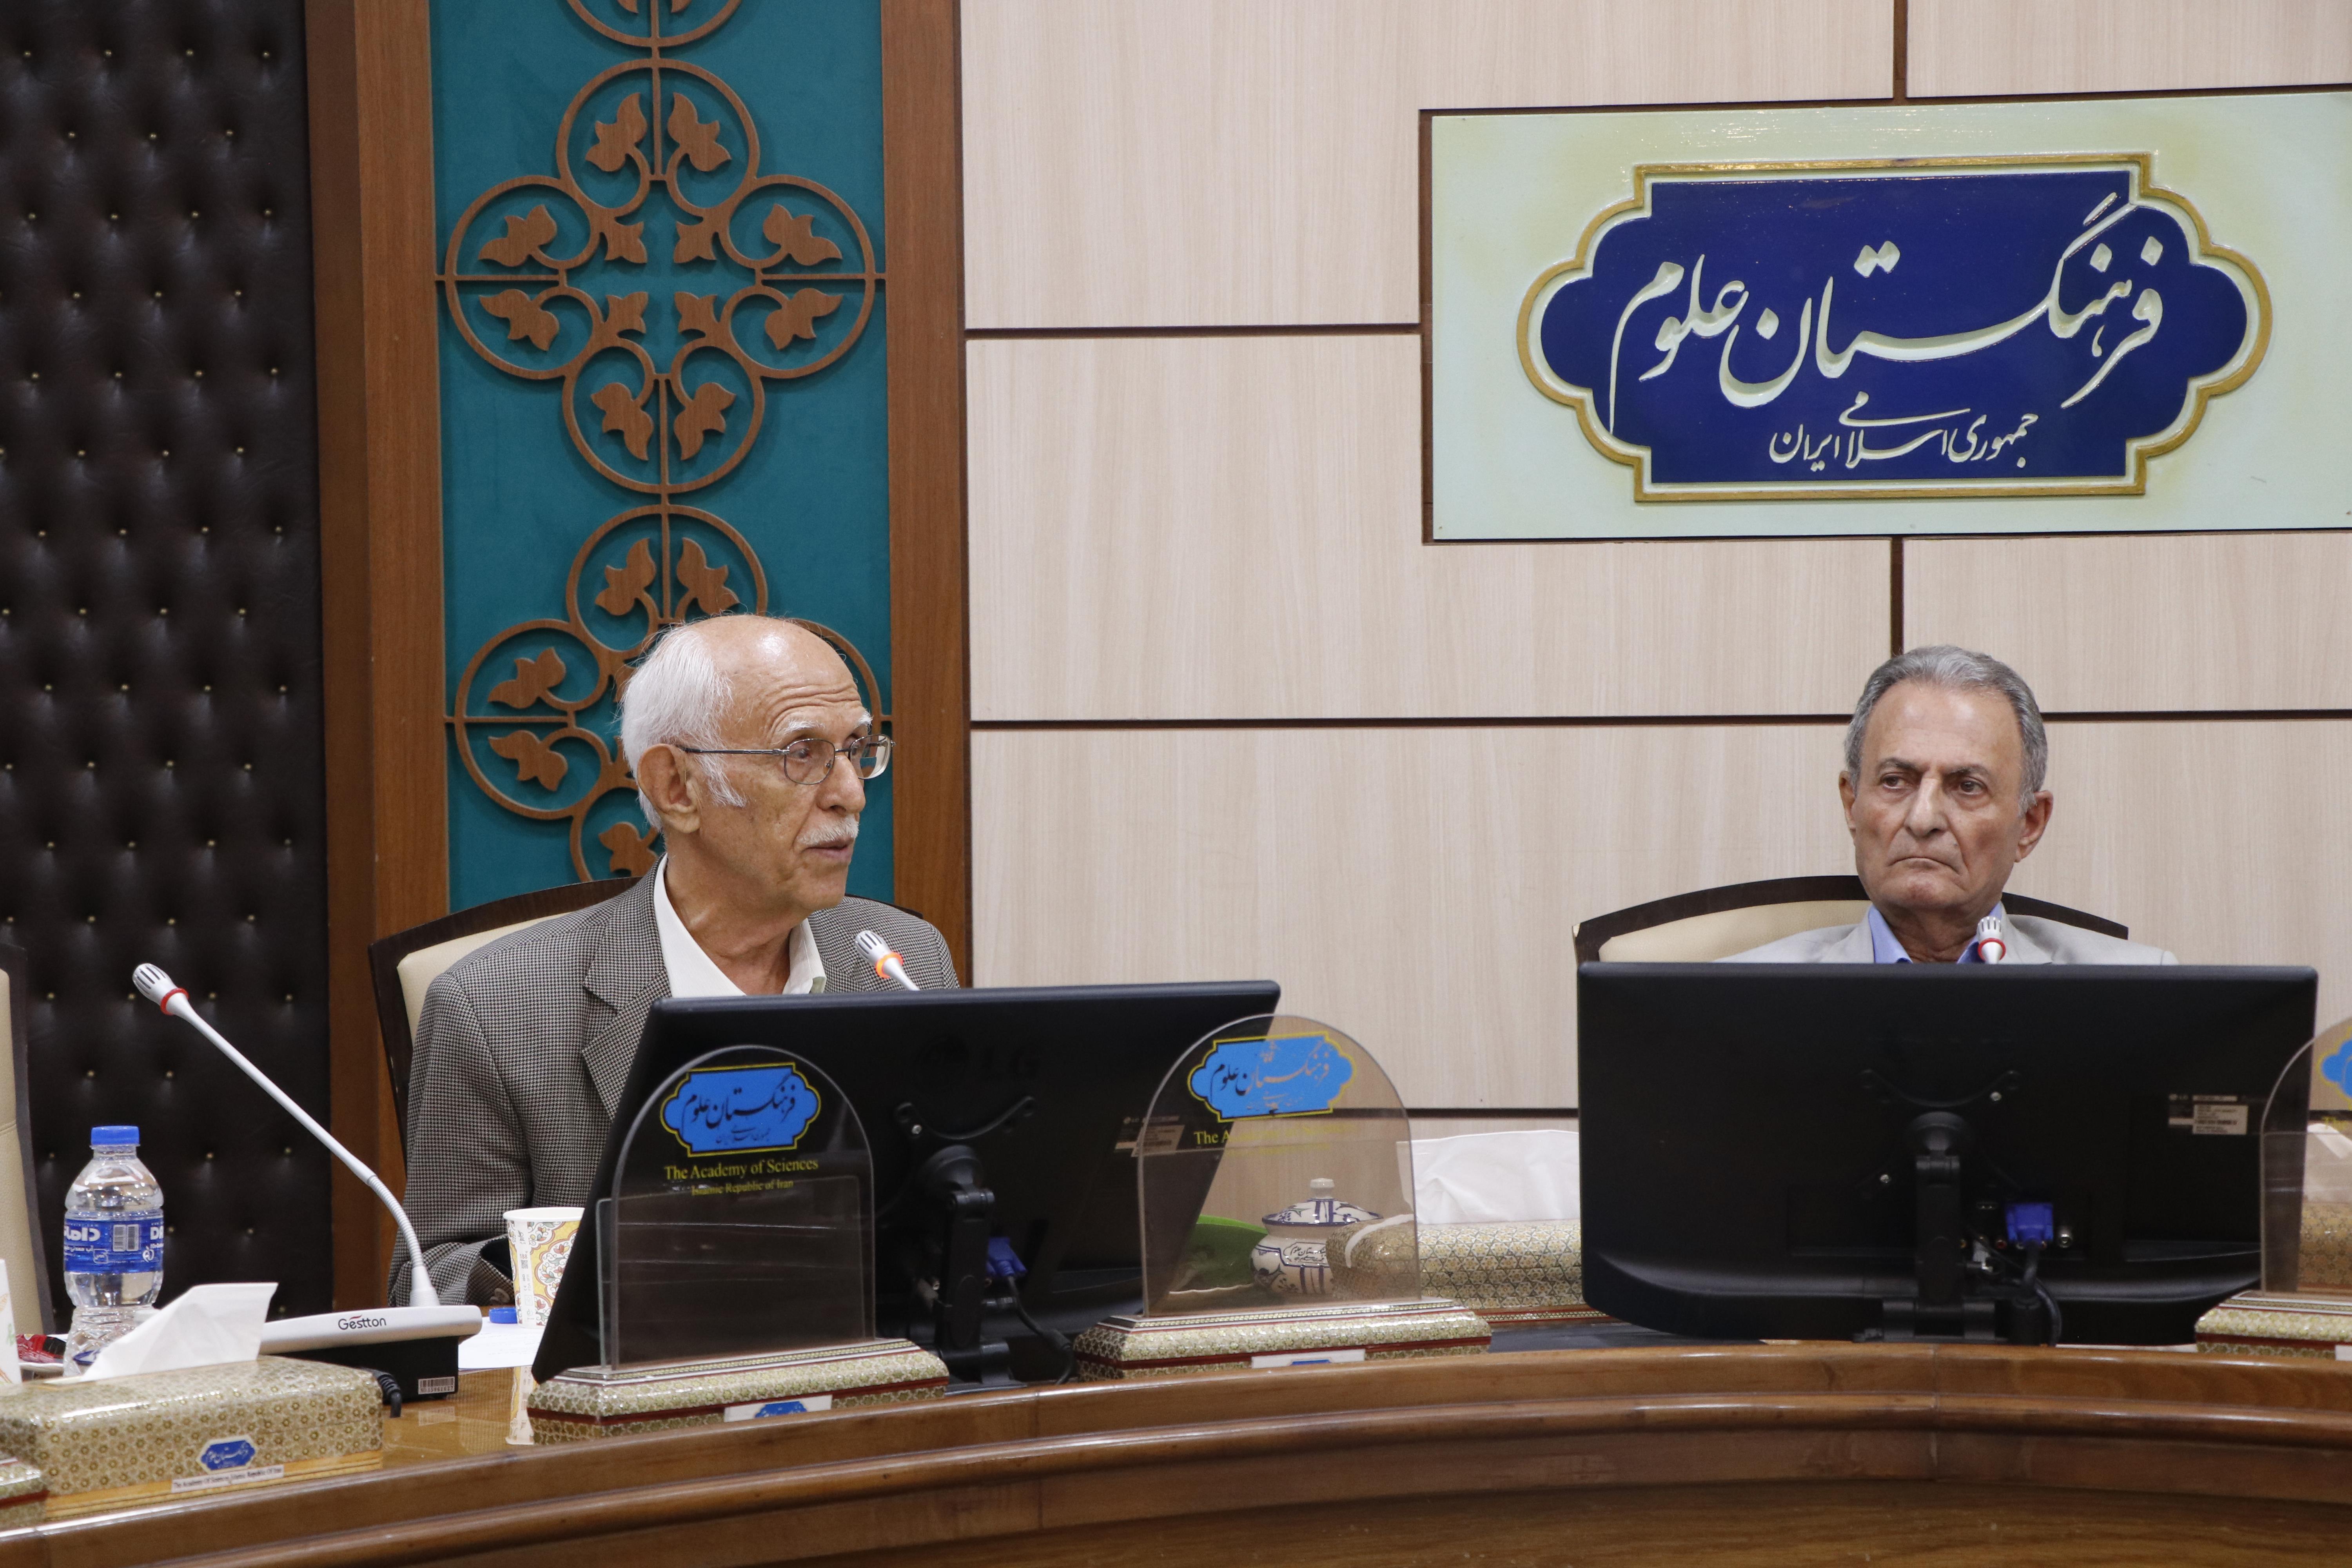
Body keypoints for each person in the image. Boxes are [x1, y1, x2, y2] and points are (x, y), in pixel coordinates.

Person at [391, 615, 958, 1306]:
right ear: (677, 787)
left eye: (857, 750)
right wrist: (615, 1270)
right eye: (802, 753)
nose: (851, 793)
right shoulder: (495, 1007)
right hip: (633, 1368)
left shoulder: (902, 963)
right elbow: (430, 1278)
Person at [1725, 645, 2174, 966]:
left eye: (1968, 787)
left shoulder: (2135, 990)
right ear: (1852, 804)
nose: (1923, 820)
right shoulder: (1741, 996)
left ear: (2029, 824)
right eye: (1895, 781)